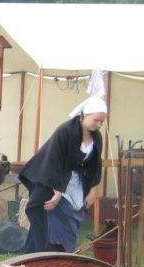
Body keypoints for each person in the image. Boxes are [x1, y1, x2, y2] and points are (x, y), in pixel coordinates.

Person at [20, 96, 106, 254]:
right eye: (96, 120)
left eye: (102, 121)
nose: (99, 124)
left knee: (71, 217)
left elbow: (96, 165)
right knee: (50, 216)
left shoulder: (97, 137)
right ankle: (48, 254)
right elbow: (53, 160)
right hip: (52, 178)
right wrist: (57, 191)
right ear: (84, 116)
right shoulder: (65, 131)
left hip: (74, 183)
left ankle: (65, 253)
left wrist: (93, 190)